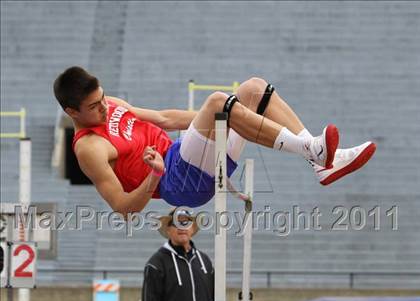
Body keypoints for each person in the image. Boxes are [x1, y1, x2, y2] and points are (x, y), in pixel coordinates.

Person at [53, 66, 376, 216]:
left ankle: (319, 162)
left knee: (252, 88)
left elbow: (165, 119)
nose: (105, 107)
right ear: (72, 112)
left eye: (104, 98)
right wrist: (154, 174)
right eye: (95, 107)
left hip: (183, 155)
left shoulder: (114, 106)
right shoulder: (89, 147)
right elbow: (123, 208)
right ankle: (313, 150)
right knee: (219, 101)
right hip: (176, 182)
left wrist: (225, 116)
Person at [141, 208, 214, 301]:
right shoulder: (156, 264)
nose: (182, 227)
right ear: (168, 229)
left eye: (186, 222)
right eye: (176, 223)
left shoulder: (205, 262)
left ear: (192, 228)